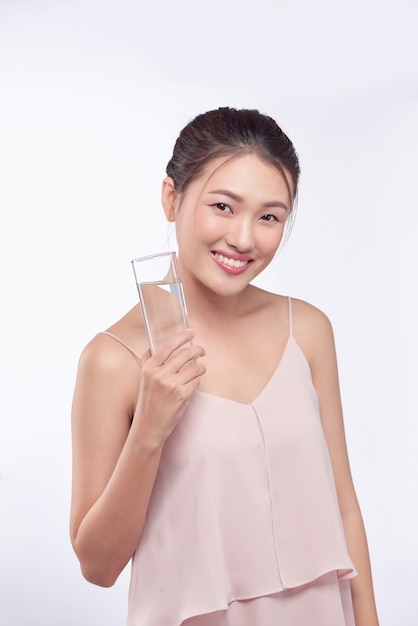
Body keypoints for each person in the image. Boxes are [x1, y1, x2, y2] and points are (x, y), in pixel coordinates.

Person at [70, 107, 379, 626]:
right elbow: (97, 567)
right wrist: (148, 431)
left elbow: (344, 506)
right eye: (222, 206)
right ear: (172, 199)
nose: (242, 239)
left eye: (269, 217)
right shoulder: (113, 360)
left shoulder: (306, 329)